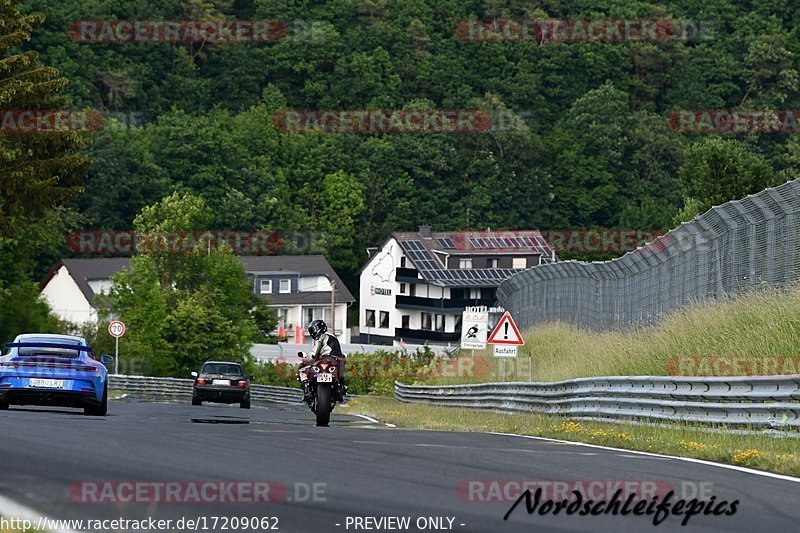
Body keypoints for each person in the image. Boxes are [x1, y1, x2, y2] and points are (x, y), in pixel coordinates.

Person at [297, 320, 348, 403]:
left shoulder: (320, 338)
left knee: (302, 370)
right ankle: (342, 388)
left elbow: (314, 354)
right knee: (341, 371)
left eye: (314, 329)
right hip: (336, 362)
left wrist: (306, 360)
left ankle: (307, 392)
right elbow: (340, 355)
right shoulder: (334, 338)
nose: (313, 332)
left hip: (325, 361)